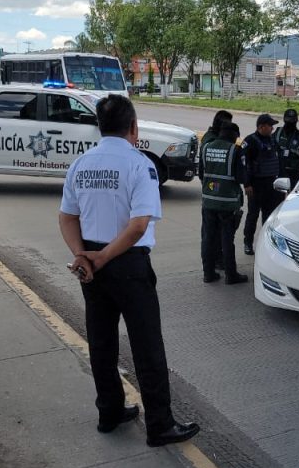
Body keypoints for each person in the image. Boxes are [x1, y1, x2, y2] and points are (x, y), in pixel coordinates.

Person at [58, 94, 199, 448]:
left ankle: (109, 411)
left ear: (99, 126)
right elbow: (138, 226)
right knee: (146, 344)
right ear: (133, 128)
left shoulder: (81, 164)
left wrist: (82, 256)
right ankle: (160, 425)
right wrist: (104, 257)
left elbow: (67, 216)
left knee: (101, 341)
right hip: (126, 261)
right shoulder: (140, 165)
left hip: (90, 261)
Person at [199, 121, 248, 285]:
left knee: (208, 238)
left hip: (208, 201)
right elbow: (242, 178)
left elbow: (201, 173)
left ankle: (208, 273)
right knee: (227, 239)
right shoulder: (235, 151)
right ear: (233, 135)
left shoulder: (206, 147)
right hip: (227, 203)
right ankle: (231, 275)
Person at [241, 113, 283, 255]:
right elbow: (244, 165)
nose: (272, 128)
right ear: (261, 127)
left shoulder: (272, 140)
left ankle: (266, 244)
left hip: (271, 185)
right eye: (270, 126)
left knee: (269, 217)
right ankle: (248, 243)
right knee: (252, 215)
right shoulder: (250, 141)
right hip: (256, 185)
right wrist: (247, 184)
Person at [273, 108, 299, 185]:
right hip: (278, 174)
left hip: (295, 177)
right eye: (288, 120)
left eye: (292, 121)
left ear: (296, 120)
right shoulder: (277, 134)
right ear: (284, 120)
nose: (290, 123)